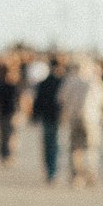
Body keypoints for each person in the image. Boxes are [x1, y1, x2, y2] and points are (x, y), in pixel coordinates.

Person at [60, 57, 103, 187]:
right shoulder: (95, 82)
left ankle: (77, 177)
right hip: (91, 119)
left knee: (75, 148)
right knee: (91, 148)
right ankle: (91, 173)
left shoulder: (71, 81)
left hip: (74, 118)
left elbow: (62, 98)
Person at [30, 56, 64, 184]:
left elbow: (37, 101)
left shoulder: (44, 83)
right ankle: (52, 170)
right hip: (56, 117)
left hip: (46, 117)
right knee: (54, 144)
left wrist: (35, 116)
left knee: (47, 144)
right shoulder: (61, 82)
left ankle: (49, 170)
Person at [0, 51, 23, 166]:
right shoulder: (4, 86)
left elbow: (21, 100)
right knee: (4, 135)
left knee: (8, 135)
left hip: (10, 114)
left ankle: (7, 155)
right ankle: (5, 155)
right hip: (4, 113)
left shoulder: (13, 86)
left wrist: (20, 113)